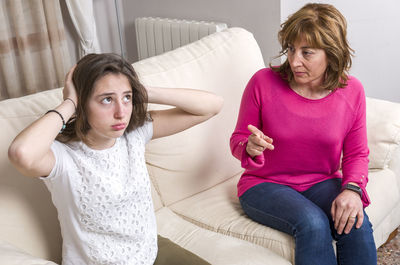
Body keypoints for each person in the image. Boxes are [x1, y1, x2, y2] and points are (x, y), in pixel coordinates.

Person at [8, 53, 223, 265]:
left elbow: (212, 105)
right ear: (83, 103)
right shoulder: (63, 158)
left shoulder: (135, 133)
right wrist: (71, 102)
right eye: (107, 99)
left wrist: (141, 91)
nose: (121, 112)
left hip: (149, 251)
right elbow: (21, 153)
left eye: (126, 98)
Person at [230, 3, 376, 265]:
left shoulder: (352, 91)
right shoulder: (262, 82)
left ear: (331, 53)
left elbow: (356, 153)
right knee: (313, 222)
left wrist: (352, 190)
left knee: (355, 221)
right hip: (264, 184)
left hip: (321, 182)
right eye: (291, 49)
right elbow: (239, 139)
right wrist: (249, 147)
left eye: (306, 53)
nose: (294, 61)